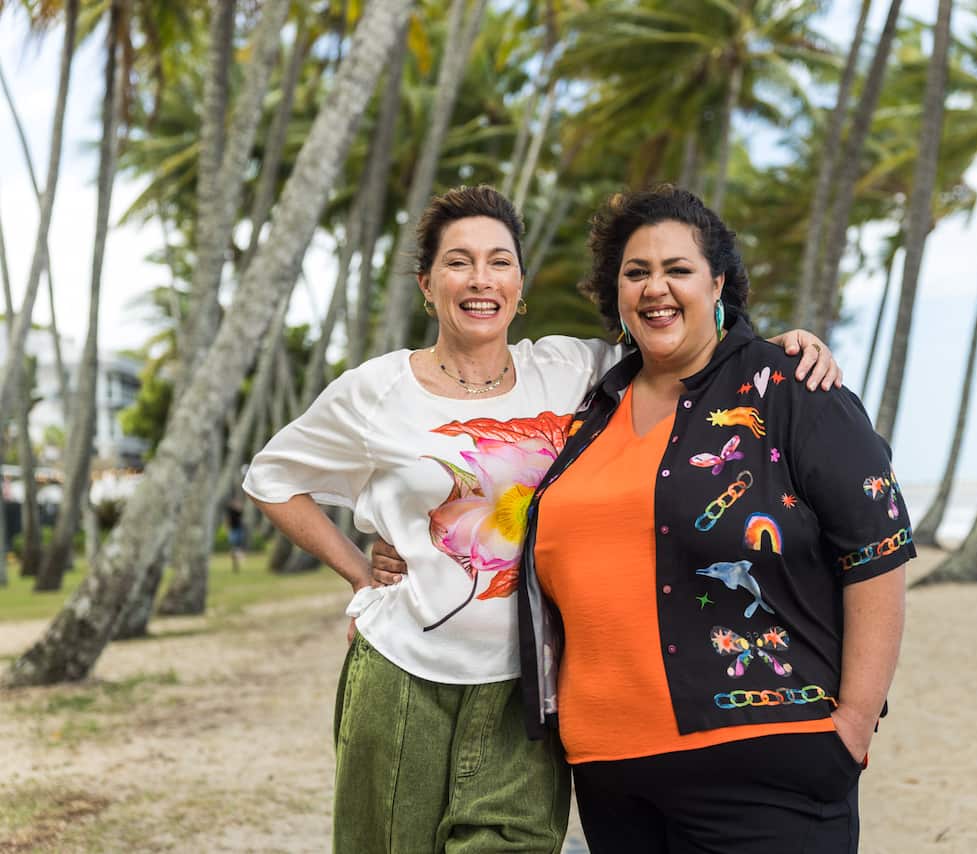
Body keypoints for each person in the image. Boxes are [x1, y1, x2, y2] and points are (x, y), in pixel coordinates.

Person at [243, 184, 841, 853]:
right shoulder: (377, 391)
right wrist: (358, 573)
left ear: (520, 286)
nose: (480, 279)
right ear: (426, 283)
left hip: (529, 690)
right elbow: (272, 479)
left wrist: (777, 347)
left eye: (499, 262)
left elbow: (687, 341)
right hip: (403, 670)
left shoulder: (572, 369)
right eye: (458, 262)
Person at [516, 186, 913, 852]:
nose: (654, 289)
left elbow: (878, 550)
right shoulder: (590, 413)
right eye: (635, 273)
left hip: (769, 770)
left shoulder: (788, 386)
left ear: (718, 282)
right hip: (612, 777)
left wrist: (853, 724)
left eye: (678, 270)